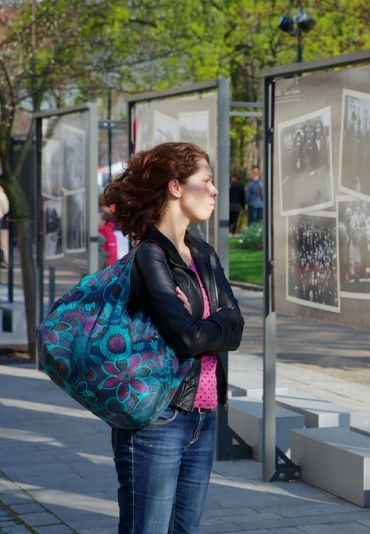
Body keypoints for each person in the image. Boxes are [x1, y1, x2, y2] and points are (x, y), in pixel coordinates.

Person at [101, 142, 245, 533]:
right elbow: (187, 339)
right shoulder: (150, 256)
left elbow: (237, 326)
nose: (215, 191)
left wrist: (205, 325)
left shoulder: (202, 253)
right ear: (176, 187)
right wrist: (213, 323)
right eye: (207, 181)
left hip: (203, 413)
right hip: (157, 418)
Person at [0, 183, 9, 268]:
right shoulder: (2, 195)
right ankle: (5, 261)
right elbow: (6, 209)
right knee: (3, 243)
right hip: (1, 219)